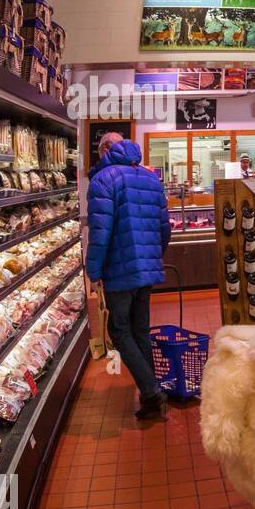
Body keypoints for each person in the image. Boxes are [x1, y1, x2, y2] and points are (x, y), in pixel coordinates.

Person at [85, 132, 171, 420]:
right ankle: (151, 396)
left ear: (106, 149)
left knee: (119, 332)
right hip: (146, 268)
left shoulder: (103, 179)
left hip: (120, 271)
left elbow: (100, 232)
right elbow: (164, 227)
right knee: (140, 330)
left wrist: (93, 271)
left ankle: (151, 391)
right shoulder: (149, 177)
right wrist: (153, 256)